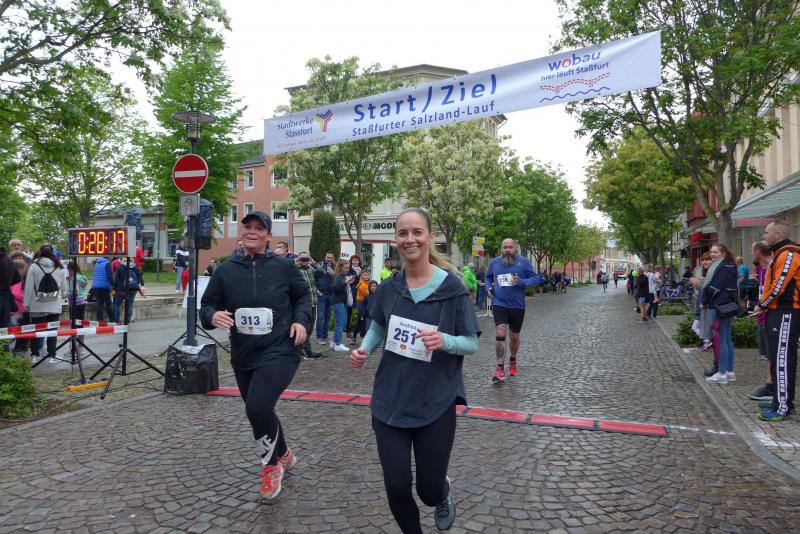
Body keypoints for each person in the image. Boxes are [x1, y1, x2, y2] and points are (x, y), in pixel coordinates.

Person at [350, 208, 480, 533]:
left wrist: (445, 340)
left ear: (430, 236)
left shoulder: (452, 288)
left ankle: (441, 492)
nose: (410, 239)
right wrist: (365, 349)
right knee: (396, 485)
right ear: (396, 239)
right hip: (390, 399)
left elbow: (470, 343)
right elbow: (379, 326)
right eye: (403, 233)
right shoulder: (390, 287)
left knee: (428, 490)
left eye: (417, 232)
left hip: (435, 401)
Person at [200, 210, 311, 499]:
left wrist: (301, 321)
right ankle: (283, 453)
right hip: (244, 353)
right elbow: (207, 305)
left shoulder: (284, 267)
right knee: (260, 410)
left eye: (259, 228)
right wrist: (212, 316)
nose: (252, 231)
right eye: (247, 226)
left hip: (281, 349)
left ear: (268, 235)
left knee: (257, 408)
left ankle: (271, 466)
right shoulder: (225, 270)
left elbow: (303, 297)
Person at [752, 221, 800, 421]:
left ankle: (782, 407)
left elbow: (779, 284)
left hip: (786, 312)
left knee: (782, 360)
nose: (764, 236)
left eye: (766, 232)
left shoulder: (788, 254)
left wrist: (762, 304)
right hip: (779, 311)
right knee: (778, 358)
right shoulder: (781, 253)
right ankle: (780, 401)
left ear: (779, 234)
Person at [484, 238, 540, 382]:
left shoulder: (524, 262)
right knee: (500, 331)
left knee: (514, 336)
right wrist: (488, 288)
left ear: (516, 248)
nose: (507, 250)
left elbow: (536, 279)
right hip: (499, 303)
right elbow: (488, 276)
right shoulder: (495, 262)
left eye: (510, 247)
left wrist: (521, 281)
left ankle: (513, 360)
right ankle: (499, 368)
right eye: (505, 247)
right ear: (501, 249)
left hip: (517, 306)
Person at [702, 243, 738, 385]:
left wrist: (704, 301)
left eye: (716, 252)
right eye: (711, 252)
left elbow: (714, 288)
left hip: (718, 306)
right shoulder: (730, 265)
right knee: (727, 339)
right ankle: (729, 371)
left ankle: (722, 373)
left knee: (722, 340)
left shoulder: (722, 267)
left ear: (723, 253)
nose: (713, 254)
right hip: (727, 305)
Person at [23, 245, 67, 362]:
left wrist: (26, 303)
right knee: (52, 331)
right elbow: (64, 287)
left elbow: (29, 287)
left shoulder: (34, 266)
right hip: (54, 304)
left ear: (40, 252)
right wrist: (62, 297)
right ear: (53, 252)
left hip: (36, 304)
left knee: (36, 330)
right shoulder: (59, 266)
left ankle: (34, 355)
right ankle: (52, 355)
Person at [747, 241, 774, 401]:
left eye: (752, 250)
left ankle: (772, 388)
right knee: (768, 354)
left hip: (772, 315)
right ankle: (770, 385)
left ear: (758, 252)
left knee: (773, 353)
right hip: (763, 316)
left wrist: (762, 306)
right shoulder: (762, 268)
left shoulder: (773, 266)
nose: (751, 253)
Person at [295, 251, 323, 359]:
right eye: (302, 258)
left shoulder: (311, 269)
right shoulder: (296, 270)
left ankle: (302, 349)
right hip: (302, 304)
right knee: (304, 327)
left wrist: (314, 263)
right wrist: (295, 263)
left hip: (313, 302)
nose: (304, 260)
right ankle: (307, 351)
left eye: (306, 258)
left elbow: (322, 273)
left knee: (310, 329)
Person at [112, 257, 145, 324]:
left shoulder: (121, 267)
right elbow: (139, 279)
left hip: (121, 289)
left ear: (124, 260)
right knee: (130, 305)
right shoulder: (135, 267)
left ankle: (117, 321)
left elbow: (116, 279)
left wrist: (114, 289)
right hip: (133, 289)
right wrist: (140, 289)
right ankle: (127, 321)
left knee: (117, 304)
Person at [313, 251, 336, 346]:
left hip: (331, 294)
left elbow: (338, 279)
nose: (329, 259)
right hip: (321, 294)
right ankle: (319, 337)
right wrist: (317, 291)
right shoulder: (319, 265)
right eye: (328, 257)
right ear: (325, 257)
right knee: (320, 317)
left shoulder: (335, 267)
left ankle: (325, 336)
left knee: (327, 317)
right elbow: (313, 279)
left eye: (331, 258)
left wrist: (333, 274)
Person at [329, 259, 352, 352]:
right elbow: (335, 288)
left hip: (342, 301)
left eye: (348, 268)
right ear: (341, 267)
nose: (347, 270)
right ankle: (338, 344)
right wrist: (346, 282)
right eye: (345, 268)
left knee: (343, 322)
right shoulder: (337, 276)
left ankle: (333, 343)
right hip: (338, 302)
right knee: (340, 322)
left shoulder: (342, 276)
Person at [66, 261, 88, 353]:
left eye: (69, 270)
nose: (68, 272)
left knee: (74, 325)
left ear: (72, 270)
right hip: (82, 302)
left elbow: (73, 292)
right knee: (80, 324)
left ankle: (74, 348)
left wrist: (65, 294)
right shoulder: (83, 277)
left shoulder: (73, 279)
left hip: (74, 304)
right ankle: (81, 346)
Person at [91, 255, 114, 322]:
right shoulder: (108, 263)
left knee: (99, 303)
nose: (112, 258)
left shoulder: (97, 263)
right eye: (112, 256)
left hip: (96, 286)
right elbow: (110, 277)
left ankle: (100, 320)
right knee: (108, 304)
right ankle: (112, 319)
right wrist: (113, 285)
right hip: (104, 287)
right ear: (108, 256)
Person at [345, 255, 363, 339]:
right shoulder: (349, 270)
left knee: (360, 311)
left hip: (360, 293)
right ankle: (347, 330)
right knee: (349, 312)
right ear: (351, 261)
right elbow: (348, 281)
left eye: (357, 260)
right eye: (354, 260)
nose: (355, 262)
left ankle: (360, 329)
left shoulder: (361, 270)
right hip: (351, 292)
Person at [353, 270, 371, 345]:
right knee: (360, 319)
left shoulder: (368, 283)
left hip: (366, 303)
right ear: (361, 276)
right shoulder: (362, 284)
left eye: (367, 275)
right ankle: (354, 337)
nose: (366, 276)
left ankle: (364, 336)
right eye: (364, 275)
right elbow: (367, 294)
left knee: (366, 320)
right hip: (361, 303)